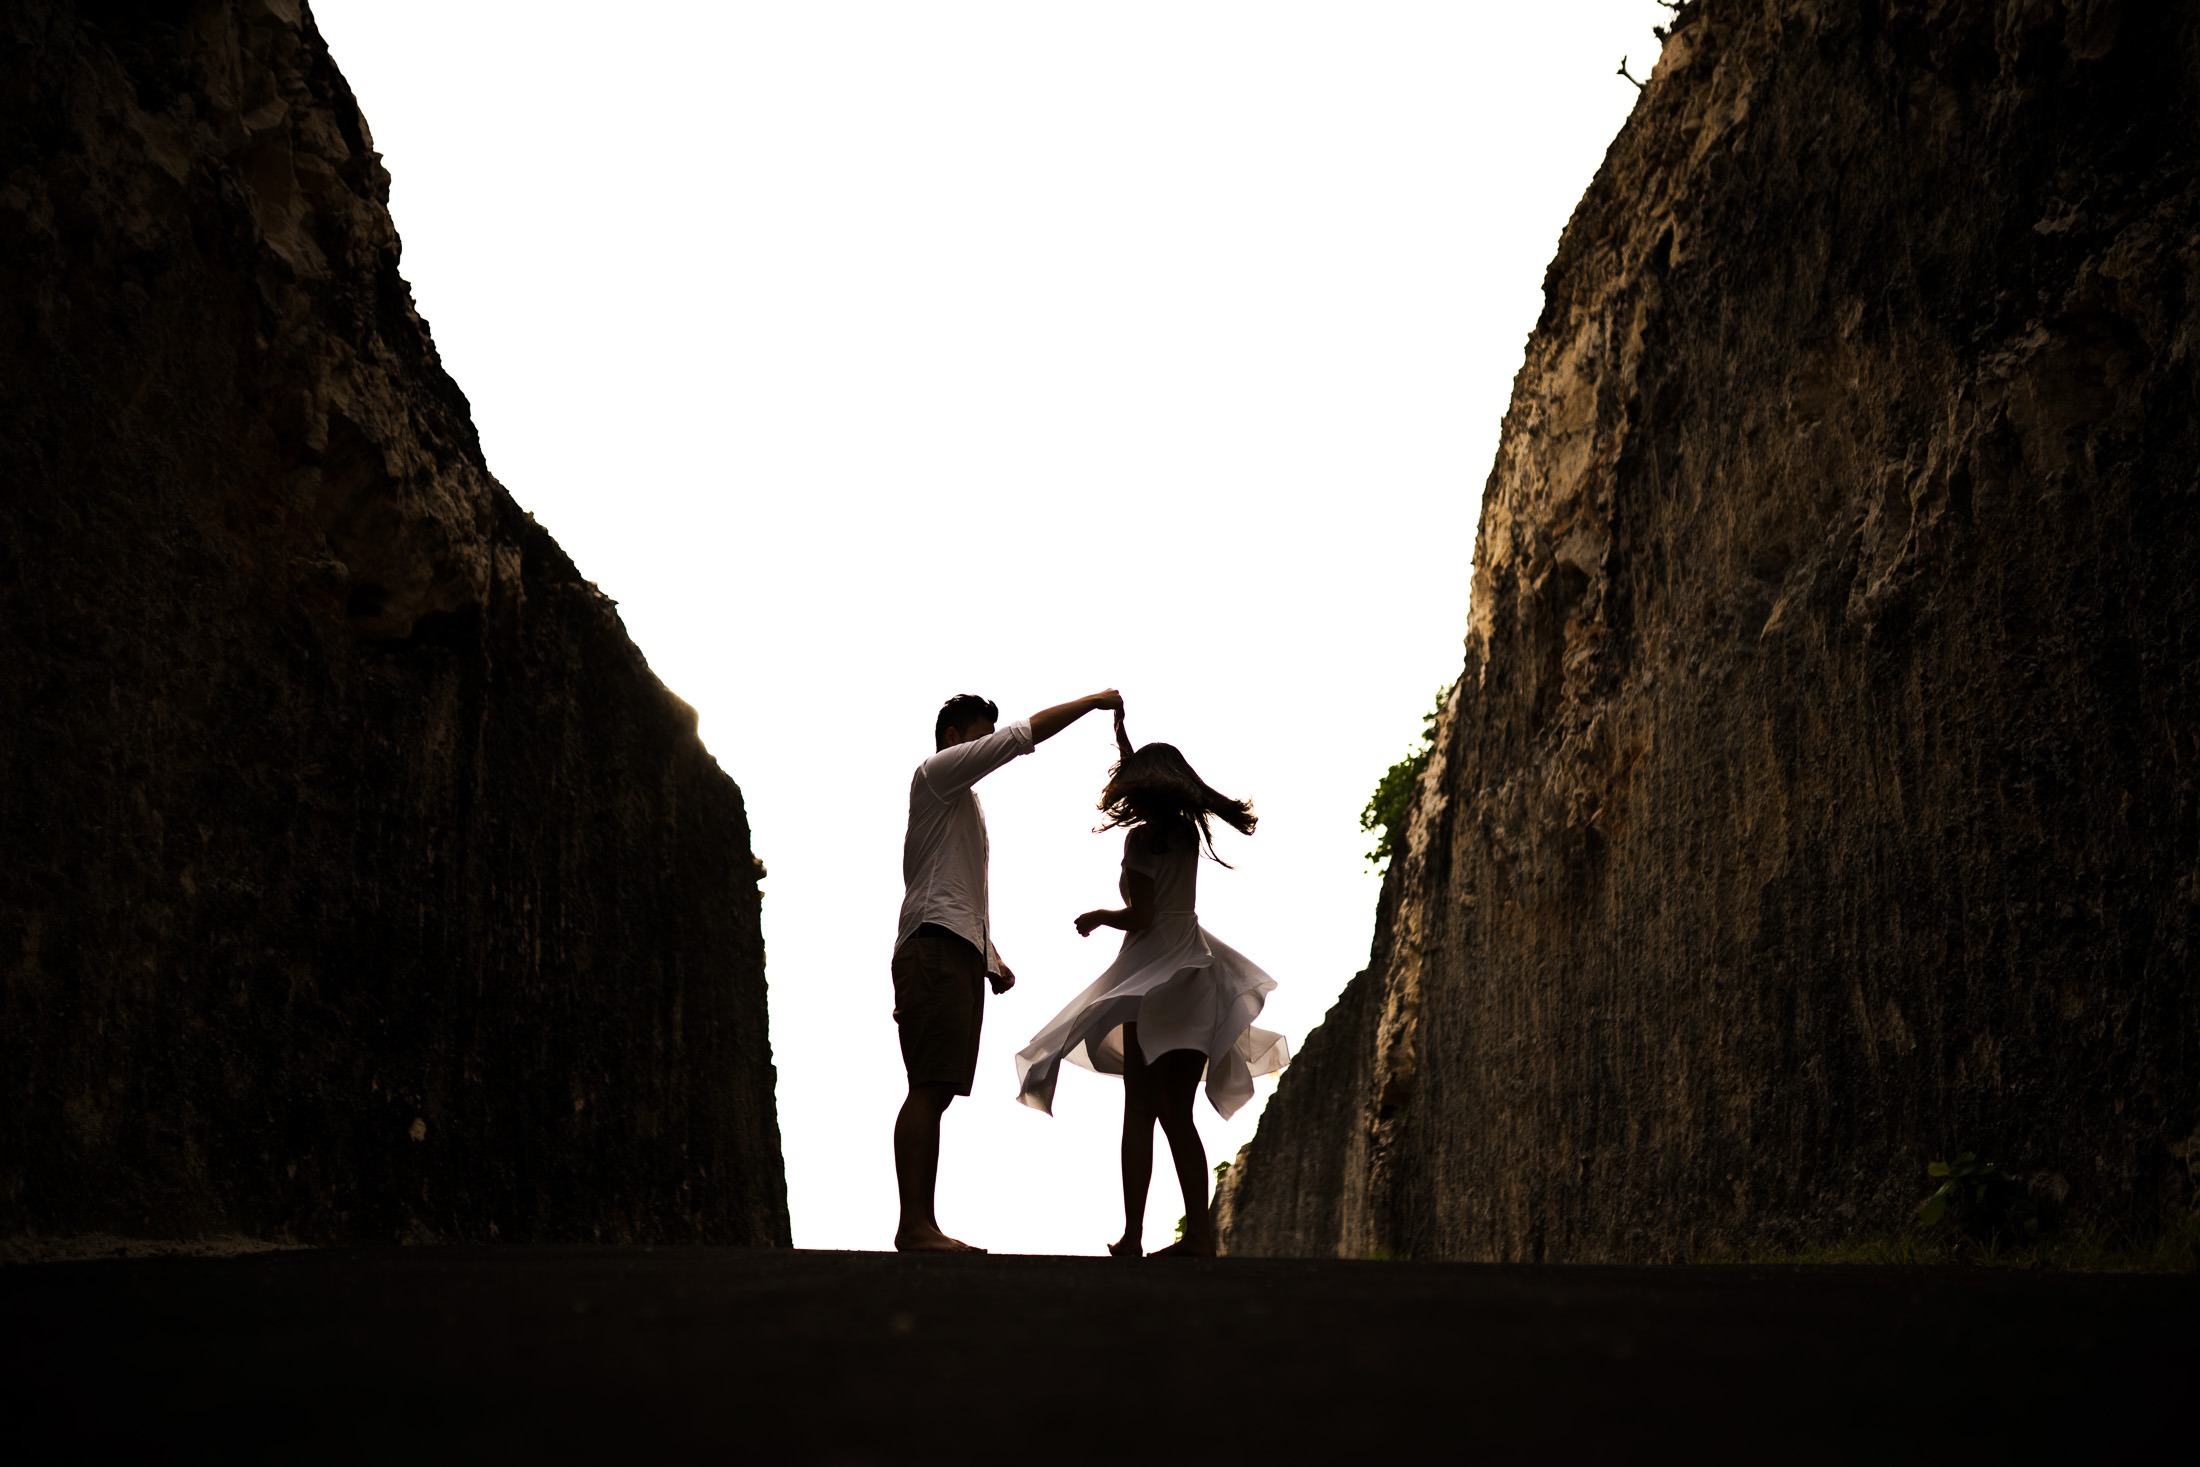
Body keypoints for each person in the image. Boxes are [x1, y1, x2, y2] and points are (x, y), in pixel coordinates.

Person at [1014, 708, 1289, 1258]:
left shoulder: (1141, 843)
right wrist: (1121, 733)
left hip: (1151, 975)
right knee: (1177, 1116)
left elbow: (1141, 917)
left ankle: (1135, 1236)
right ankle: (1201, 1238)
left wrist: (1099, 916)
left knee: (1139, 1110)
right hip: (1195, 971)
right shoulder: (1186, 835)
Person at [893, 687, 1124, 1253]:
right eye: (978, 731)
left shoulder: (962, 803)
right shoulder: (937, 774)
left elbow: (954, 886)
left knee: (939, 1089)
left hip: (954, 947)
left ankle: (920, 1224)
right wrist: (1092, 702)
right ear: (952, 737)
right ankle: (915, 1227)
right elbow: (1021, 737)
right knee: (927, 1087)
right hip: (934, 947)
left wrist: (989, 956)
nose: (986, 742)